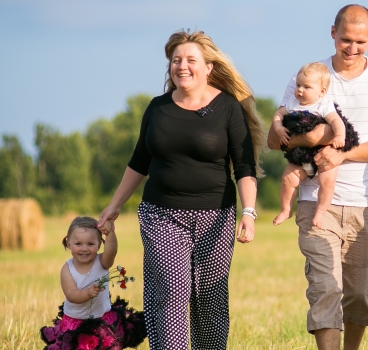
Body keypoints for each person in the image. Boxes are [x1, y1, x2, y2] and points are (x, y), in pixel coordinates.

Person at [96, 30, 265, 350]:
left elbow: (244, 167)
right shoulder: (157, 109)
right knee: (172, 290)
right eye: (176, 60)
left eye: (190, 60)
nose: (182, 66)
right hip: (161, 215)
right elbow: (139, 161)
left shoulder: (228, 108)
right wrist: (114, 206)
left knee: (210, 298)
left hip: (216, 217)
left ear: (208, 68)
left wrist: (248, 212)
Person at [266, 4, 368, 350]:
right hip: (314, 202)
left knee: (358, 295)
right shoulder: (308, 76)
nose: (352, 48)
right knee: (325, 287)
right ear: (332, 33)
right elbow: (272, 139)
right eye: (345, 40)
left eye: (360, 42)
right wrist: (313, 139)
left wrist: (342, 154)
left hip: (364, 202)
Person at [271, 61, 359, 229]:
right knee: (288, 179)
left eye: (306, 87)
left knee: (327, 182)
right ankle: (286, 209)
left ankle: (320, 212)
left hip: (323, 154)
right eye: (298, 85)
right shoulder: (292, 103)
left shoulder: (323, 104)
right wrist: (279, 128)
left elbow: (336, 122)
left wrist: (340, 136)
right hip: (303, 157)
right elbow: (278, 114)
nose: (300, 90)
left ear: (322, 91)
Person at [40, 217, 146, 350]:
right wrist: (87, 293)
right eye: (78, 244)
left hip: (101, 318)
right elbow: (71, 294)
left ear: (99, 245)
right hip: (76, 321)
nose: (84, 248)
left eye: (90, 244)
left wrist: (110, 233)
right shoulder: (67, 269)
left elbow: (111, 252)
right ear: (68, 244)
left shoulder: (102, 261)